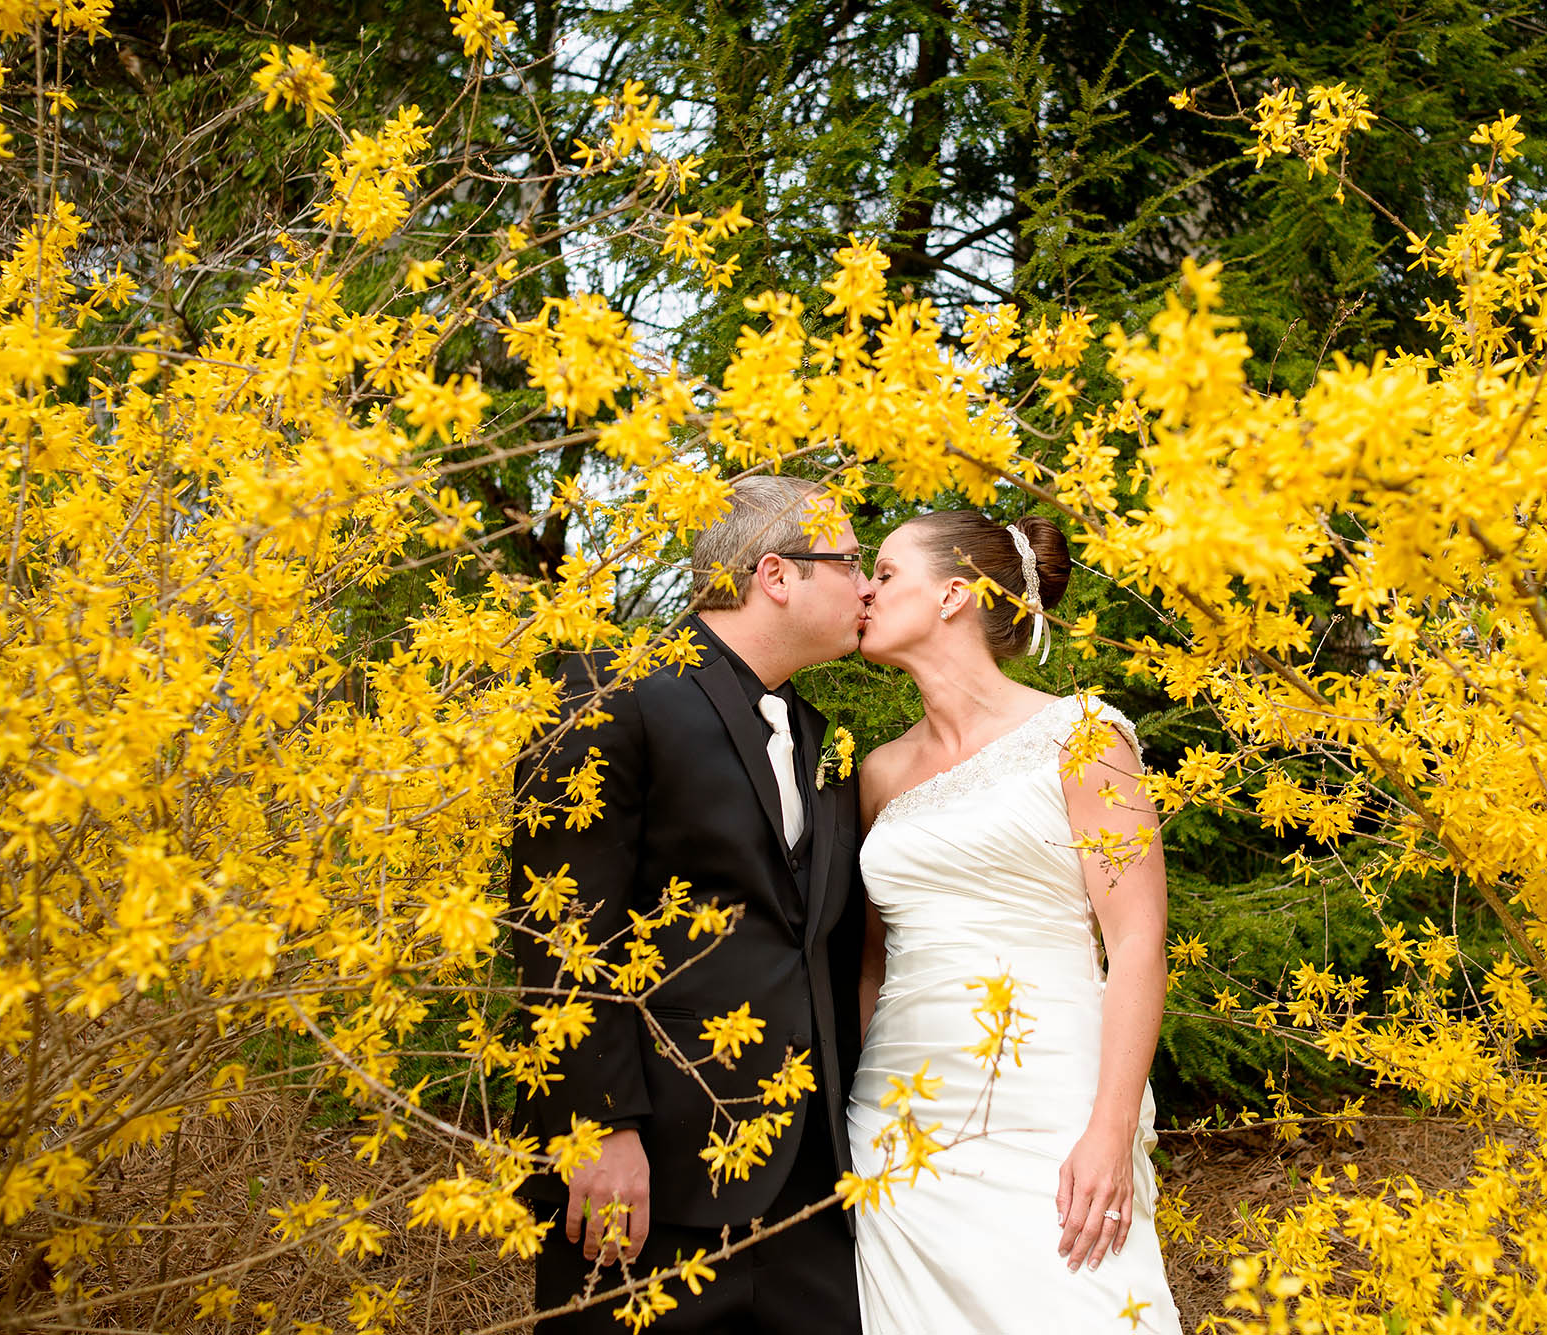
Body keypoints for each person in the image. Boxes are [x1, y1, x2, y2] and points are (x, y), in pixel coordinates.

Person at [507, 475, 871, 1333]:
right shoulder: (608, 694)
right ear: (777, 574)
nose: (868, 585)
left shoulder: (820, 736)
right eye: (852, 561)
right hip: (649, 1179)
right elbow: (560, 925)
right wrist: (598, 1127)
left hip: (811, 1188)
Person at [847, 510, 1183, 1334]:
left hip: (1052, 1104)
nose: (863, 589)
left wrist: (1109, 1128)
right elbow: (870, 965)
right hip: (899, 1120)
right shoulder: (877, 774)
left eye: (885, 574)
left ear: (954, 594)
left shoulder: (1081, 738)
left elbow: (1137, 941)